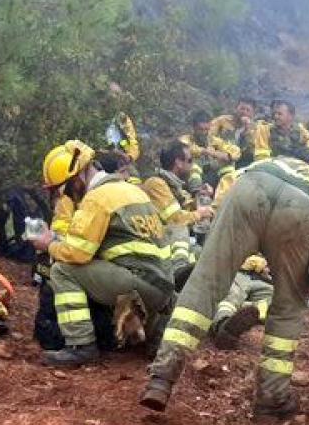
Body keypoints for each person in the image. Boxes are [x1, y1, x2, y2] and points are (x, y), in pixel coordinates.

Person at [140, 156, 309, 416]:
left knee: (205, 283)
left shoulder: (279, 162)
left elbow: (224, 194)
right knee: (289, 304)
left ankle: (162, 377)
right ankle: (272, 397)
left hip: (248, 188)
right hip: (300, 210)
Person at [31, 140, 175, 367]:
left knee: (62, 270)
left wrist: (48, 245)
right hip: (164, 287)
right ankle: (154, 330)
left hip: (137, 283)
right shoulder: (130, 189)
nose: (67, 196)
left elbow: (77, 254)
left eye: (65, 189)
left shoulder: (98, 198)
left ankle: (80, 345)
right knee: (103, 266)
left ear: (77, 178)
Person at [141, 141, 212, 281]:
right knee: (180, 229)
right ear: (178, 162)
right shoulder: (156, 184)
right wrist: (199, 214)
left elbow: (186, 208)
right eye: (190, 160)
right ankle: (179, 269)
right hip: (154, 240)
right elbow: (175, 219)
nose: (193, 166)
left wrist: (201, 196)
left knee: (199, 252)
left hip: (167, 241)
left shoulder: (174, 186)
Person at [181, 111, 241, 191]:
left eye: (206, 129)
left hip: (211, 173)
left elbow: (235, 151)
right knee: (194, 165)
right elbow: (187, 148)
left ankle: (227, 191)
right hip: (190, 177)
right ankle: (197, 192)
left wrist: (220, 154)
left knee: (228, 164)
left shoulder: (213, 140)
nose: (204, 133)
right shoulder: (185, 139)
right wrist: (204, 151)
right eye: (200, 130)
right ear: (194, 128)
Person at [269, 100, 309, 165]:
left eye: (280, 114)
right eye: (275, 114)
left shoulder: (299, 129)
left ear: (290, 116)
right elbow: (261, 154)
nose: (275, 116)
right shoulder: (267, 130)